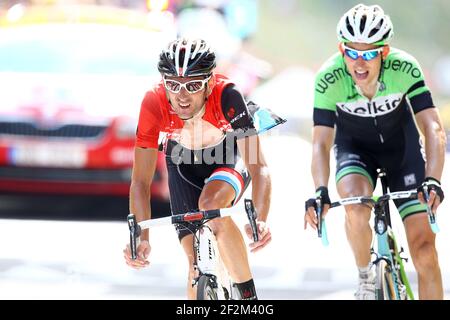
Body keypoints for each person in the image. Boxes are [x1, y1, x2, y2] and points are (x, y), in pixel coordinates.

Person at [123, 38, 285, 299]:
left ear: (209, 83)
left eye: (193, 85)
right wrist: (142, 238)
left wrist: (260, 219)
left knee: (211, 206)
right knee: (194, 268)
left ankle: (247, 298)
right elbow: (140, 182)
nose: (182, 96)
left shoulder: (228, 96)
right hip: (182, 162)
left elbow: (259, 167)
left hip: (227, 153)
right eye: (173, 85)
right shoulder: (153, 103)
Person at [304, 4, 446, 300]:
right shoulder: (329, 78)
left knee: (424, 254)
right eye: (351, 51)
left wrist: (433, 178)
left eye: (368, 53)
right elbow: (320, 142)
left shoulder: (405, 68)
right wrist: (319, 190)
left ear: (384, 52)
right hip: (355, 152)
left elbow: (432, 127)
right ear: (341, 49)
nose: (359, 62)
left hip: (403, 153)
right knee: (355, 208)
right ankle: (366, 278)